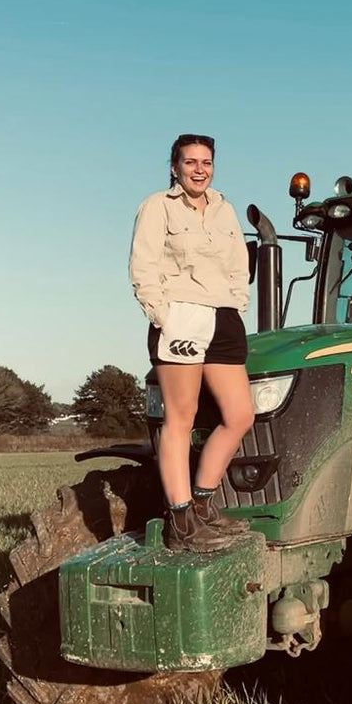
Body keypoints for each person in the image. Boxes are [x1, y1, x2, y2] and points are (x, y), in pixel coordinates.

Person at [130, 134, 255, 552]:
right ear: (174, 167)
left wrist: (236, 305)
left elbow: (239, 263)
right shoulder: (157, 207)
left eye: (206, 162)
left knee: (239, 415)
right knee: (180, 418)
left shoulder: (224, 209)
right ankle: (181, 521)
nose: (199, 169)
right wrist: (165, 317)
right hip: (181, 315)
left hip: (223, 317)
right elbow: (143, 268)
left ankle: (203, 504)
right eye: (190, 162)